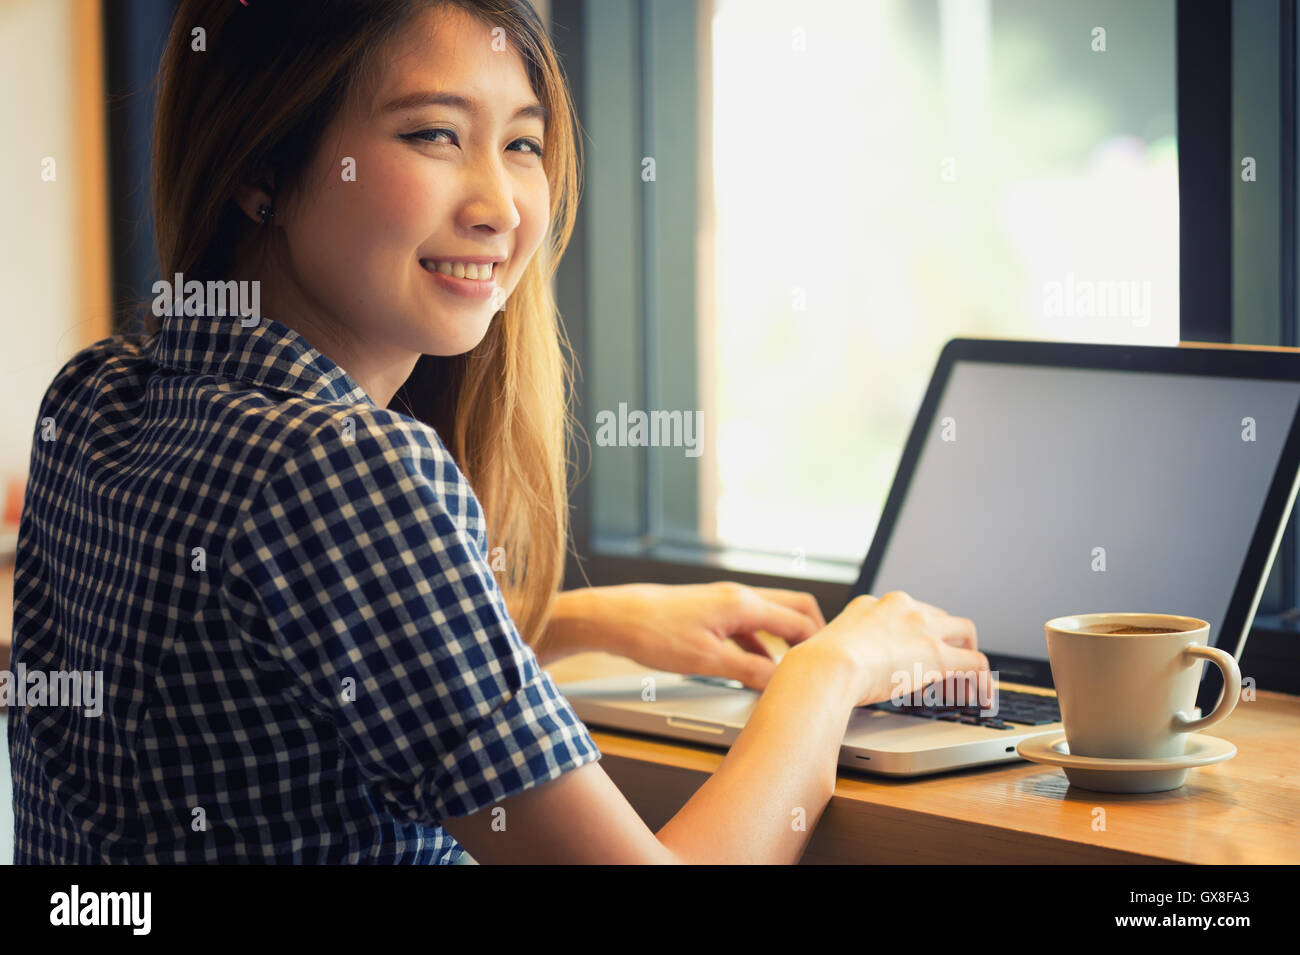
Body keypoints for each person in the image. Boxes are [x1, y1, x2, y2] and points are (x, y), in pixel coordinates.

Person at [9, 0, 988, 864]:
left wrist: (578, 619)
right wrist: (830, 674)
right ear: (261, 162)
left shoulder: (96, 396)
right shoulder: (348, 469)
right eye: (435, 135)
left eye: (521, 143)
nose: (499, 207)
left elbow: (248, 670)